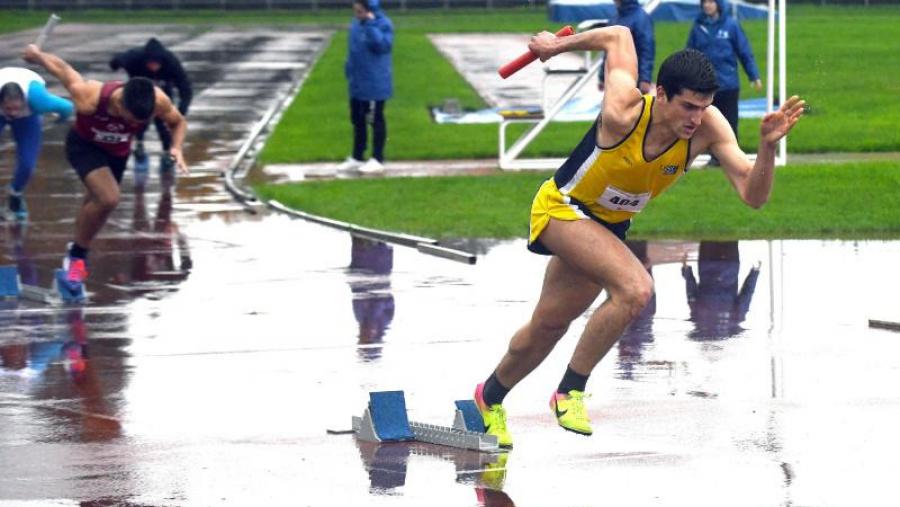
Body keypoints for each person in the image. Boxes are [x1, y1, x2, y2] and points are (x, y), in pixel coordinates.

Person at [472, 26, 804, 448]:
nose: (695, 118)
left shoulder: (708, 127)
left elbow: (752, 196)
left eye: (703, 107)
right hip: (562, 208)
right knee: (635, 289)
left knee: (548, 325)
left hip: (606, 228)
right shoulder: (623, 112)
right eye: (687, 106)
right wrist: (555, 46)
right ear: (661, 94)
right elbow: (618, 36)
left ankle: (489, 396)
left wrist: (767, 149)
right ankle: (570, 391)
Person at [22, 43, 188, 294]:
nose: (134, 124)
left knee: (96, 209)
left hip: (117, 155)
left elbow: (178, 122)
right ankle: (77, 258)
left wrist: (176, 148)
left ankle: (74, 259)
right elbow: (64, 69)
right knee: (109, 198)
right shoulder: (90, 96)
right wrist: (37, 55)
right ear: (120, 104)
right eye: (131, 119)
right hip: (84, 147)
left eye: (140, 122)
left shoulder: (158, 101)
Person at [687, 0, 761, 165]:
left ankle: (731, 158)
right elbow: (689, 55)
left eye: (711, 2)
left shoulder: (731, 25)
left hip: (728, 84)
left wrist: (753, 75)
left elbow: (744, 51)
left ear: (719, 4)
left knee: (730, 122)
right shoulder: (698, 27)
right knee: (708, 123)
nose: (707, 5)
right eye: (704, 2)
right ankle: (715, 157)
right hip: (705, 86)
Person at [109, 38, 192, 175]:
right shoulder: (135, 57)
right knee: (137, 120)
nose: (153, 67)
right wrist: (116, 64)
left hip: (162, 98)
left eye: (156, 64)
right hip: (138, 96)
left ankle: (167, 152)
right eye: (150, 64)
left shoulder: (171, 62)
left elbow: (185, 88)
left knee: (164, 126)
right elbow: (118, 60)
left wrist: (181, 111)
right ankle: (139, 144)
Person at [0, 66, 73, 220]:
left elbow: (67, 107)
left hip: (28, 117)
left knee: (27, 163)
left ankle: (16, 193)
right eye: (8, 109)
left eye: (16, 108)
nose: (13, 113)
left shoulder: (39, 101)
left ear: (24, 101)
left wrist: (60, 119)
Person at [336, 0, 394, 175]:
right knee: (357, 119)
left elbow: (383, 46)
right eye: (355, 11)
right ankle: (357, 156)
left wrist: (370, 24)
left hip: (375, 81)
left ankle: (377, 158)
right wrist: (349, 69)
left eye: (360, 12)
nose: (357, 15)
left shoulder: (383, 24)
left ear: (368, 10)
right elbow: (353, 50)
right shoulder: (356, 24)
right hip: (357, 81)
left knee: (375, 119)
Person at [681, 241, 760, 339]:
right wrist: (754, 273)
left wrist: (687, 271)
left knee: (711, 235)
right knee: (727, 236)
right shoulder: (734, 320)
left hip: (712, 265)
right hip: (724, 265)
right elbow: (746, 296)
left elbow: (691, 294)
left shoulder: (700, 319)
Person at [598, 0, 655, 94]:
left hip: (632, 79)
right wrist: (602, 77)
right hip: (614, 79)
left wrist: (645, 79)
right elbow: (607, 50)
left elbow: (646, 50)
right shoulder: (615, 18)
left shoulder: (641, 18)